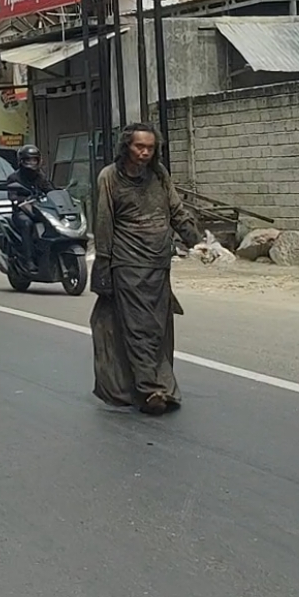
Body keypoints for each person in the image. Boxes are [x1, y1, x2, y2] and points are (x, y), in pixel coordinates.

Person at [90, 123, 202, 416]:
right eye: (139, 146)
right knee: (137, 330)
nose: (144, 152)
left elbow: (176, 210)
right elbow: (104, 223)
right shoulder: (109, 178)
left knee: (157, 330)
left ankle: (158, 385)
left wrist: (195, 238)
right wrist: (104, 265)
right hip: (127, 265)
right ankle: (151, 389)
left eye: (150, 148)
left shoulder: (159, 175)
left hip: (159, 266)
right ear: (126, 146)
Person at [6, 143, 53, 270]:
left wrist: (59, 194)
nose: (31, 162)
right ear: (21, 161)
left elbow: (49, 189)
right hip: (21, 212)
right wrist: (22, 200)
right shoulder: (14, 178)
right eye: (28, 159)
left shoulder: (40, 176)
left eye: (34, 159)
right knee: (27, 225)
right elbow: (12, 196)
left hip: (38, 209)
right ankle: (29, 260)